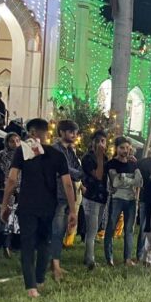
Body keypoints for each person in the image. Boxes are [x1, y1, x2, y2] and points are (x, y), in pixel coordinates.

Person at [0, 118, 76, 298]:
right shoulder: (57, 155)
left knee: (27, 244)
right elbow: (67, 184)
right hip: (49, 205)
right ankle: (40, 280)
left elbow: (11, 179)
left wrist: (5, 204)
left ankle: (31, 287)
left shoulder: (22, 151)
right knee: (44, 242)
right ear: (46, 132)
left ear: (32, 133)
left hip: (27, 205)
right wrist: (73, 210)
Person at [49, 120, 83, 282]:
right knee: (56, 230)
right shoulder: (56, 150)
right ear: (61, 132)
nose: (74, 135)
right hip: (57, 193)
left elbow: (78, 168)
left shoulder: (71, 151)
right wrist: (78, 174)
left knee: (60, 230)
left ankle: (55, 262)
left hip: (66, 194)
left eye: (75, 132)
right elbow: (67, 171)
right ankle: (53, 265)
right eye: (71, 132)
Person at [103, 137, 142, 267]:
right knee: (111, 227)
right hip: (116, 199)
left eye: (127, 148)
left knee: (129, 230)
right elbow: (115, 181)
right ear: (116, 148)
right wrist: (130, 180)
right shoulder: (110, 164)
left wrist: (123, 178)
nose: (125, 150)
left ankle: (127, 259)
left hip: (131, 200)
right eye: (122, 148)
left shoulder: (133, 163)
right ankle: (109, 258)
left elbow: (140, 182)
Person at [81, 131, 109, 269]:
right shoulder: (88, 158)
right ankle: (90, 260)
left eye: (103, 141)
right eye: (98, 140)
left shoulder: (105, 157)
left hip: (102, 197)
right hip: (91, 197)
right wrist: (99, 156)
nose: (101, 144)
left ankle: (88, 257)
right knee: (92, 229)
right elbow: (98, 175)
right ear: (92, 142)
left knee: (95, 228)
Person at [0, 132, 21, 258]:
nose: (15, 143)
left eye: (17, 140)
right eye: (12, 141)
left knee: (17, 219)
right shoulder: (2, 154)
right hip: (8, 189)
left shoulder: (22, 154)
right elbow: (3, 172)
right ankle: (5, 244)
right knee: (7, 217)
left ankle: (14, 244)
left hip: (21, 190)